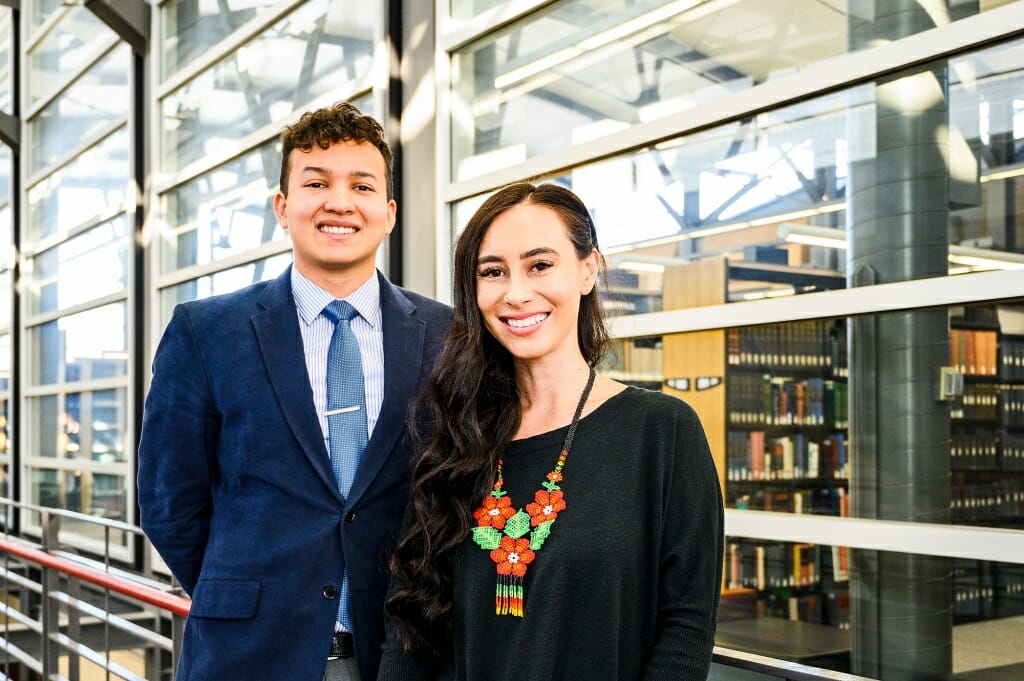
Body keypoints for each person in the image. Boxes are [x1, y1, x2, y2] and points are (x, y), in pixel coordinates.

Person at [138, 102, 453, 681]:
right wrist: (243, 591)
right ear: (283, 207)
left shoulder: (445, 335)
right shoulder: (205, 331)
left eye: (361, 185)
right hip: (249, 654)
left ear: (388, 213)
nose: (339, 202)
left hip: (403, 653)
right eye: (316, 182)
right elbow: (168, 502)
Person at [379, 182, 724, 681]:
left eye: (540, 265)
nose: (517, 293)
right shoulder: (455, 438)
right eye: (493, 272)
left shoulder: (662, 432)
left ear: (588, 270)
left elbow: (685, 633)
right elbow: (409, 638)